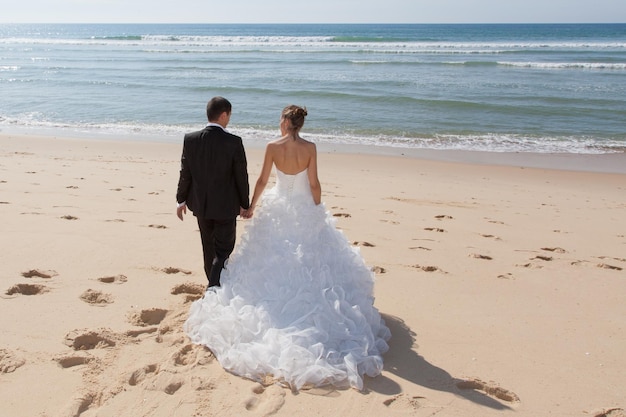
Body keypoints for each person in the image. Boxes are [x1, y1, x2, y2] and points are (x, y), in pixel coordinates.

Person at [184, 105, 390, 391]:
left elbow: (262, 180)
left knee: (270, 258)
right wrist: (316, 208)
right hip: (303, 207)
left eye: (280, 118)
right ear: (300, 124)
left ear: (284, 121)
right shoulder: (310, 147)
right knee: (311, 261)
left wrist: (251, 206)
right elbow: (315, 183)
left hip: (278, 207)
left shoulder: (272, 146)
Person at [176, 96, 250, 288]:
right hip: (226, 206)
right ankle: (214, 288)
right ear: (224, 115)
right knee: (224, 249)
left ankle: (213, 282)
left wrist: (181, 200)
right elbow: (241, 176)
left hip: (201, 205)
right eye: (229, 115)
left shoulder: (190, 139)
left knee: (208, 249)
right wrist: (245, 203)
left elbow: (186, 172)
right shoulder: (234, 142)